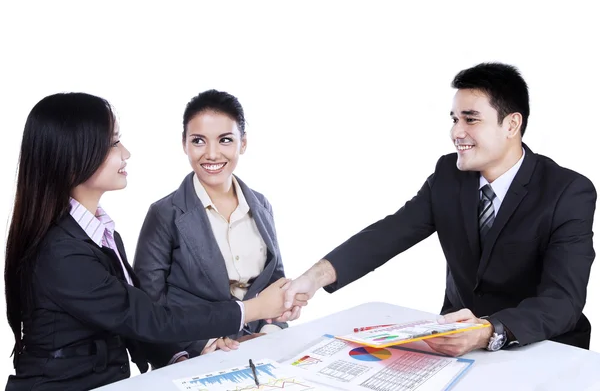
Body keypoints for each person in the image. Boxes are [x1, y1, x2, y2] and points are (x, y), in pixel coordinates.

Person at [282, 62, 597, 356]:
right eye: (454, 119)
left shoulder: (567, 192)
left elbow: (562, 301)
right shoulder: (449, 175)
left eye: (470, 119)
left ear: (512, 124)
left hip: (543, 347)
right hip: (457, 341)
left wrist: (488, 331)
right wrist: (314, 277)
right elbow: (390, 233)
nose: (456, 132)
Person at [4, 93, 295, 391]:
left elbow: (126, 317)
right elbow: (150, 315)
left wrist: (180, 358)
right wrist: (252, 309)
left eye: (225, 139)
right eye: (113, 142)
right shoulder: (61, 252)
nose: (125, 153)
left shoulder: (100, 231)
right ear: (73, 154)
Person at [133, 89, 301, 359]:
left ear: (242, 143)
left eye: (225, 140)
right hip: (195, 353)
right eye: (198, 141)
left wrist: (270, 333)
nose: (211, 154)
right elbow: (148, 306)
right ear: (184, 144)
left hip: (261, 348)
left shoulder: (260, 205)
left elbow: (274, 281)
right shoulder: (165, 213)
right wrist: (203, 344)